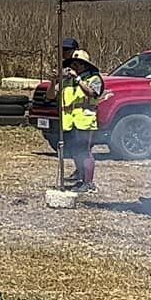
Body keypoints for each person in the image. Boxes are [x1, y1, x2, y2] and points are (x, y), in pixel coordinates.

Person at [58, 49, 105, 193]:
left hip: (86, 120)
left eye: (78, 64)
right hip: (70, 121)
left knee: (84, 151)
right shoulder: (68, 80)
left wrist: (78, 79)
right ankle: (80, 179)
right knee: (75, 152)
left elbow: (93, 93)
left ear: (85, 65)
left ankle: (89, 183)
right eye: (73, 64)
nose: (74, 66)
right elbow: (54, 95)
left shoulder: (94, 78)